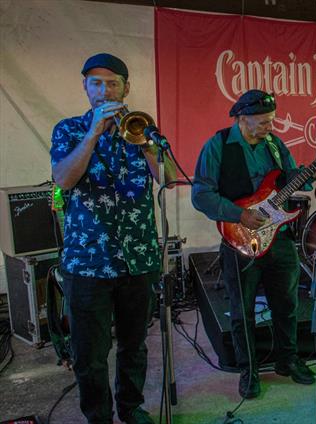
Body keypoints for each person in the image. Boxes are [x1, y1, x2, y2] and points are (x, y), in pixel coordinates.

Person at [50, 53, 177, 424]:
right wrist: (92, 133)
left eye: (113, 83)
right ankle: (99, 416)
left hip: (138, 258)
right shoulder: (69, 129)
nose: (105, 90)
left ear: (126, 87)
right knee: (89, 352)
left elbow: (167, 179)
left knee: (134, 345)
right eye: (96, 83)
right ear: (86, 87)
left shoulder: (143, 130)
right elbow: (64, 180)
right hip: (88, 262)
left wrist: (150, 146)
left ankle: (131, 407)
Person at [191, 89, 316, 399]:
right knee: (242, 310)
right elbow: (201, 194)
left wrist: (310, 174)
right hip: (239, 239)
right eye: (264, 121)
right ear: (241, 118)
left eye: (272, 120)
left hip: (278, 238)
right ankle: (248, 369)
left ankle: (287, 360)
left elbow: (291, 181)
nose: (270, 126)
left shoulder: (275, 146)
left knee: (287, 306)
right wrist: (239, 213)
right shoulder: (219, 145)